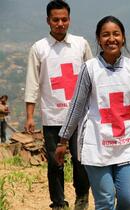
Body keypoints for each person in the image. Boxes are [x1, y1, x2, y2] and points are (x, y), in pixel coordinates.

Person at [55, 16, 130, 210]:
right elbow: (77, 106)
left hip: (126, 144)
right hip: (97, 144)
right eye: (105, 34)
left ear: (123, 38)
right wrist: (63, 140)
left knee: (128, 199)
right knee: (105, 201)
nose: (111, 39)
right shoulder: (89, 68)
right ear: (98, 39)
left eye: (116, 34)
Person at [24, 1, 92, 209]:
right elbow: (32, 82)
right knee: (55, 163)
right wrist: (30, 116)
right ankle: (58, 203)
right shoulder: (39, 48)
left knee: (81, 160)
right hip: (52, 116)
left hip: (79, 115)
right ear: (48, 21)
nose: (60, 23)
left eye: (64, 19)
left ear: (69, 19)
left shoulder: (81, 44)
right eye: (56, 20)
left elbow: (92, 76)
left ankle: (82, 197)